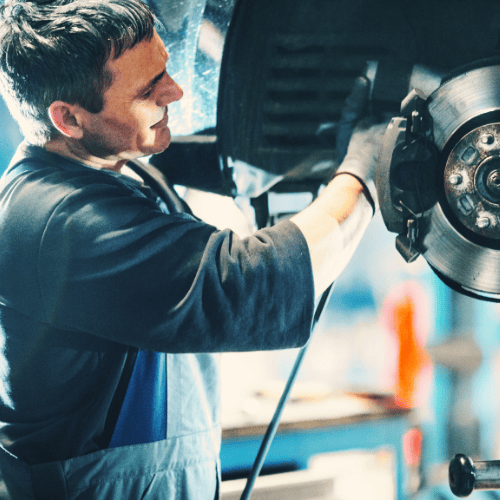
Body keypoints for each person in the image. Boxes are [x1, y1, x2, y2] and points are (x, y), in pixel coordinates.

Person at [0, 0, 386, 498]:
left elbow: (211, 162)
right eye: (148, 89)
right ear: (69, 118)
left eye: (165, 67)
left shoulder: (112, 165)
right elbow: (248, 287)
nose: (176, 92)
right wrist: (363, 170)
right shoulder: (61, 221)